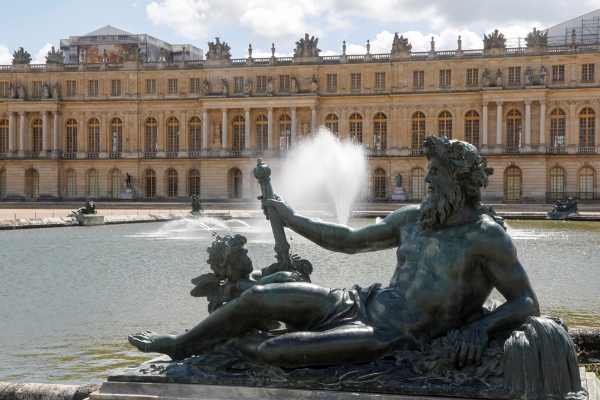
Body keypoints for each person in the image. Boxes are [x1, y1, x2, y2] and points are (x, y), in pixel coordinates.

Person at [129, 135, 539, 368]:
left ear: (458, 179)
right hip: (358, 301)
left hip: (391, 335)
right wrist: (289, 217)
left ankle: (230, 349)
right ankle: (180, 345)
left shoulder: (485, 237)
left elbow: (526, 301)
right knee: (255, 296)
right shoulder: (413, 218)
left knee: (275, 352)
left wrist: (480, 327)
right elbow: (346, 240)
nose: (427, 177)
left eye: (436, 172)